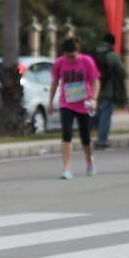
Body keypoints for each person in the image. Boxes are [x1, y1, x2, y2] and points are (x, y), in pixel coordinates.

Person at [47, 37, 100, 179]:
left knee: (85, 136)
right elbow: (54, 83)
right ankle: (67, 168)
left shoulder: (87, 61)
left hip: (84, 103)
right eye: (68, 56)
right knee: (67, 133)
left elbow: (95, 81)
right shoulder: (59, 63)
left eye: (73, 56)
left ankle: (89, 160)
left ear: (78, 51)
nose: (70, 59)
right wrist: (50, 103)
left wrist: (94, 99)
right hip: (67, 103)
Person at [92, 33, 126, 149]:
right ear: (112, 44)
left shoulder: (92, 54)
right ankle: (102, 141)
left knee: (93, 115)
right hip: (108, 90)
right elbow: (122, 73)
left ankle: (87, 139)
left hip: (92, 90)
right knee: (105, 116)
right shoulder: (112, 56)